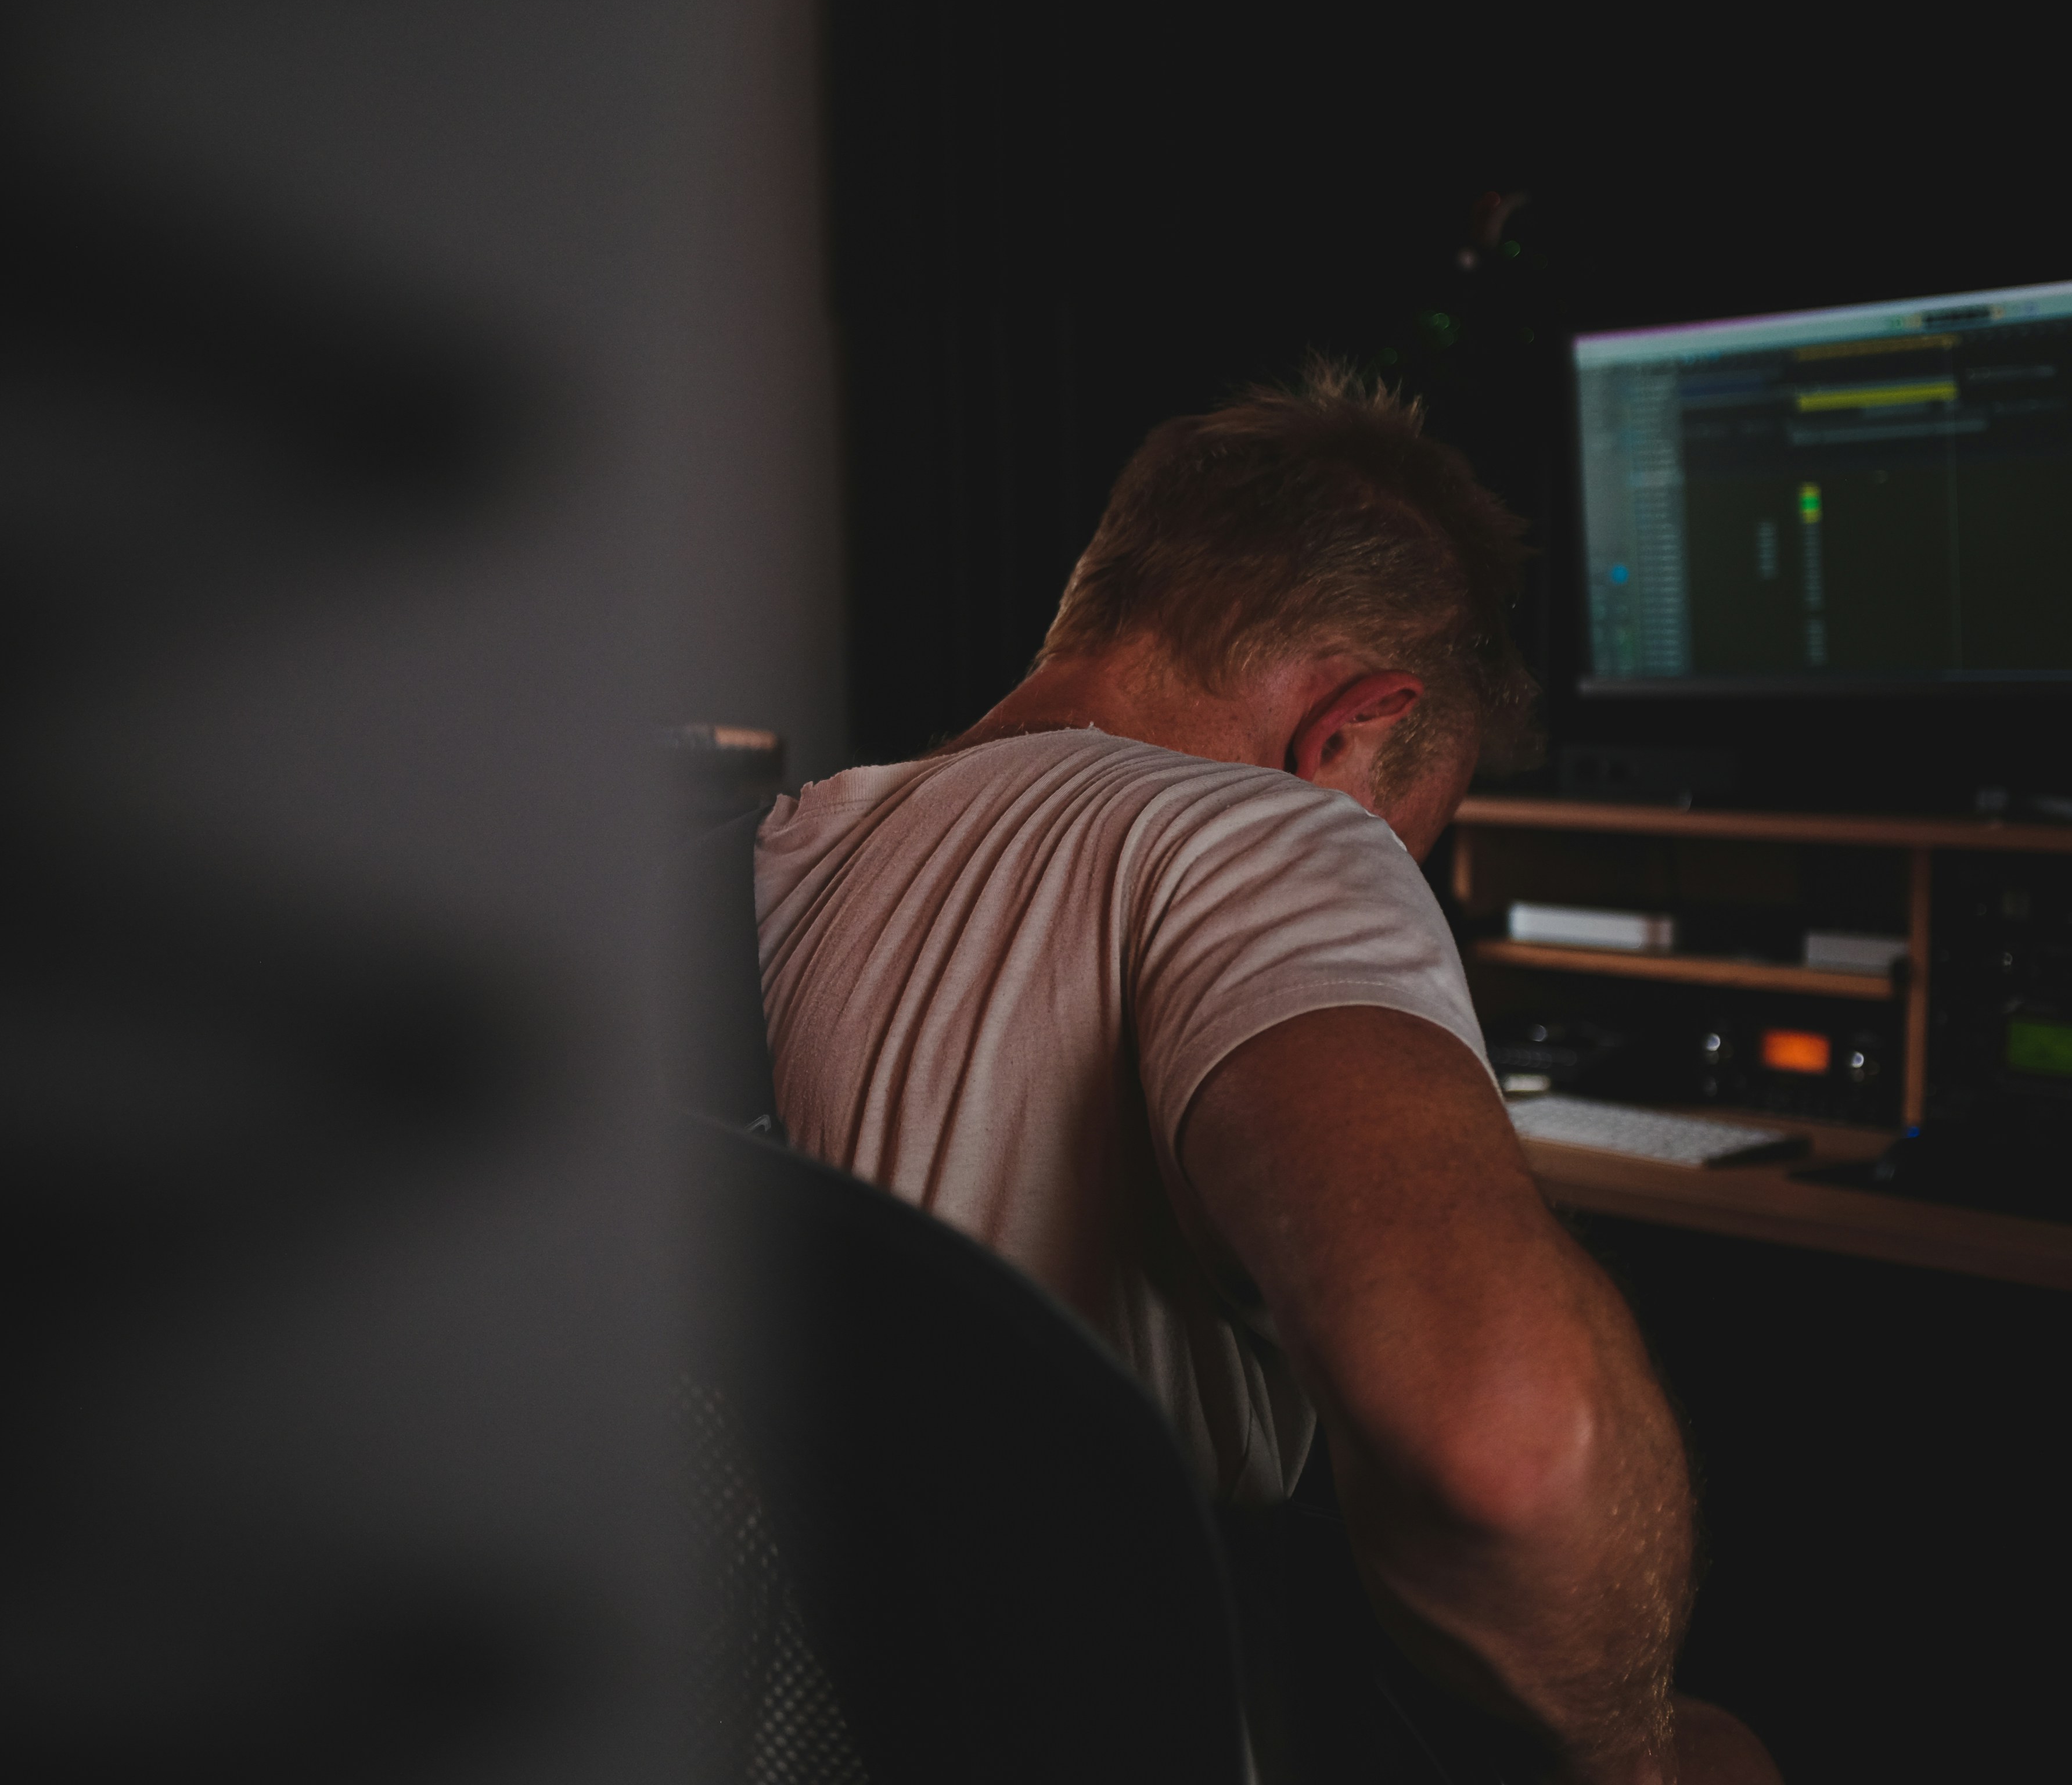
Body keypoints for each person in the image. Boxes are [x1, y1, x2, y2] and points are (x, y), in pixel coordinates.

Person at [754, 365, 1778, 1784]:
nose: (1390, 864)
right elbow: (1511, 1455)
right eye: (1408, 837)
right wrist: (1628, 1754)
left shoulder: (775, 856)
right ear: (1348, 726)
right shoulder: (1265, 834)